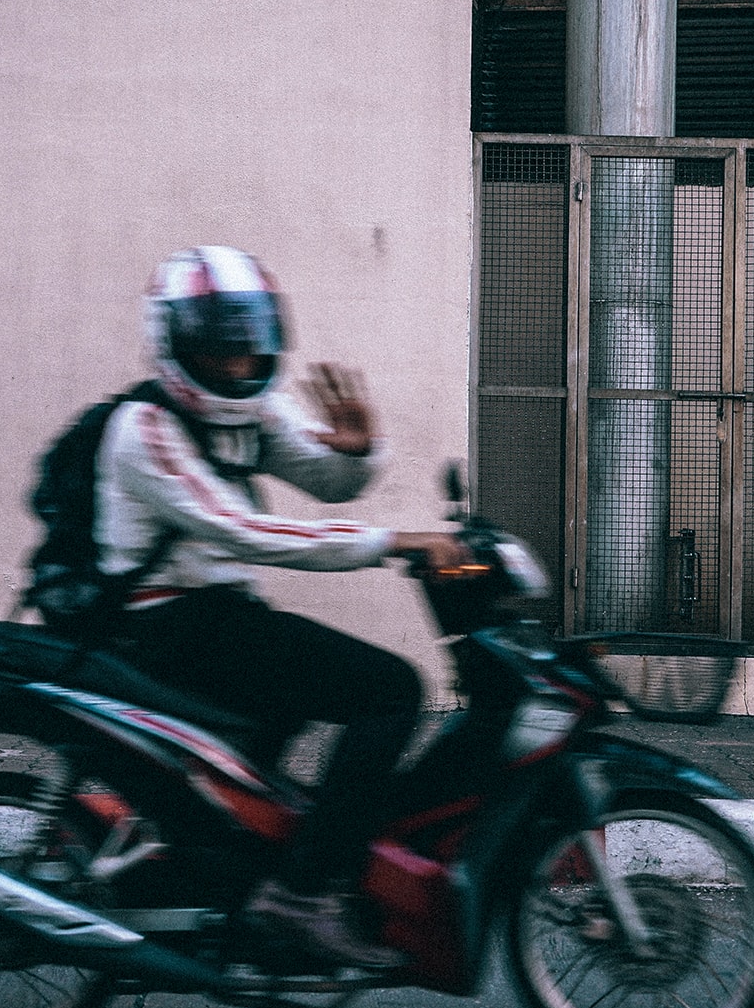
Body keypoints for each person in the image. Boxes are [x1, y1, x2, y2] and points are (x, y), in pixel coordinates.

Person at [70, 245, 466, 971]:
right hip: (165, 629)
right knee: (388, 690)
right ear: (175, 342)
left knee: (274, 742)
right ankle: (300, 899)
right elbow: (243, 531)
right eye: (218, 339)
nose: (238, 354)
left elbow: (327, 482)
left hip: (219, 617)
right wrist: (394, 542)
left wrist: (357, 449)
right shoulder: (144, 430)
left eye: (248, 333)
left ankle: (236, 875)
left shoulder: (250, 406)